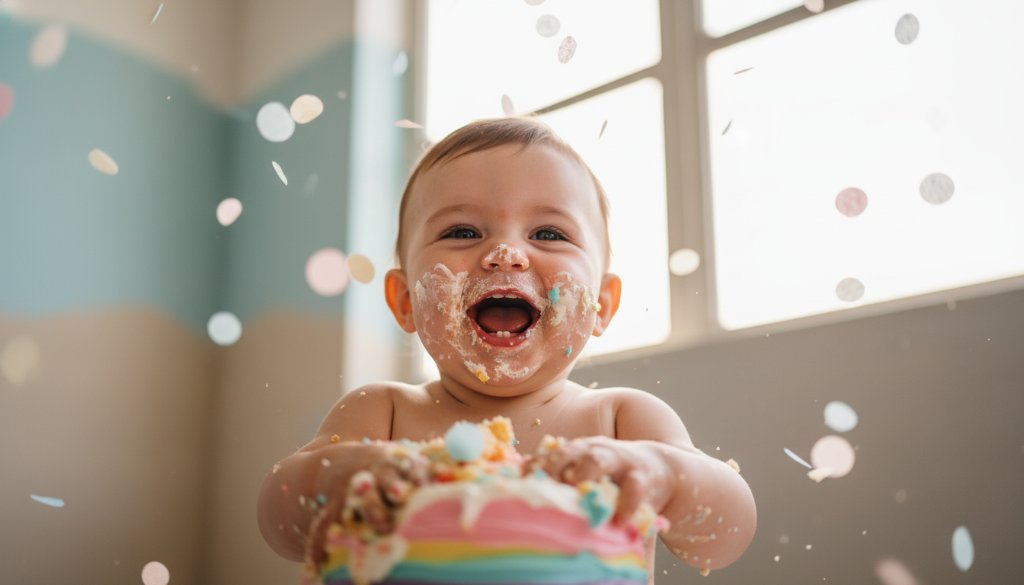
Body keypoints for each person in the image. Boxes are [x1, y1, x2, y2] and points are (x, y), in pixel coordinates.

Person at [257, 117, 756, 580]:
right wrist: (332, 479)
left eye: (548, 233)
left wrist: (663, 474)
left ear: (602, 304)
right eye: (462, 231)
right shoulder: (381, 415)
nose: (504, 255)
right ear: (406, 301)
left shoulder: (621, 422)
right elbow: (277, 521)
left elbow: (722, 540)